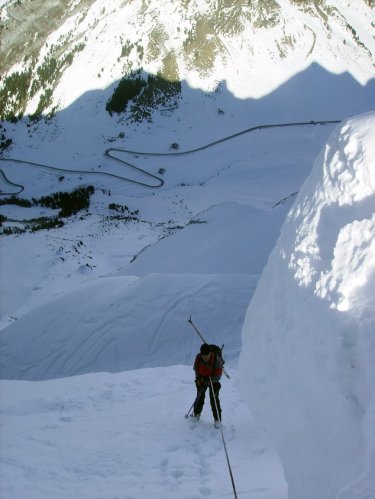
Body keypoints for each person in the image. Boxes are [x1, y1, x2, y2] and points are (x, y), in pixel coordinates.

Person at [192, 343, 223, 427]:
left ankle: (217, 419)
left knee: (214, 398)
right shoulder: (198, 358)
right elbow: (196, 369)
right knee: (200, 395)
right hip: (202, 378)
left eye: (207, 355)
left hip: (213, 380)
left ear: (210, 353)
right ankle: (197, 413)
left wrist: (209, 380)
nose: (205, 357)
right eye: (203, 355)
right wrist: (199, 378)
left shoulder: (217, 360)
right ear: (201, 354)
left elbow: (218, 376)